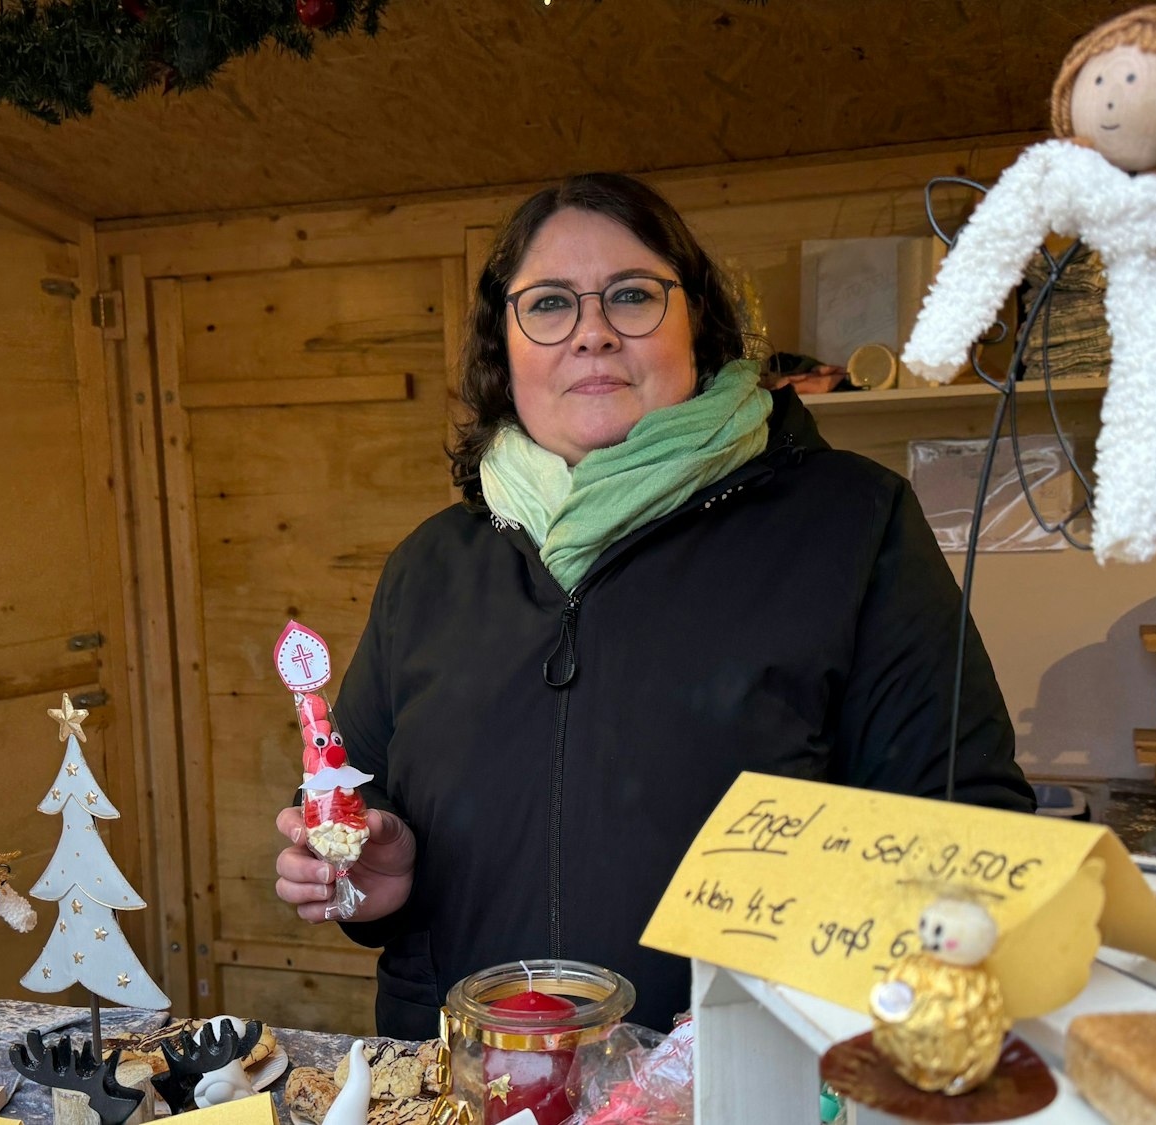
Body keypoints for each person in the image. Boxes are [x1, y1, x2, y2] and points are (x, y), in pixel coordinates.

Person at [274, 172, 1031, 1039]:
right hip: (474, 1085)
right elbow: (356, 823)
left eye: (632, 295)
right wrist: (372, 887)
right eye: (550, 303)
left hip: (740, 1084)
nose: (591, 332)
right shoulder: (430, 567)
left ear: (697, 326)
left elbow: (966, 830)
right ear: (504, 345)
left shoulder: (851, 526)